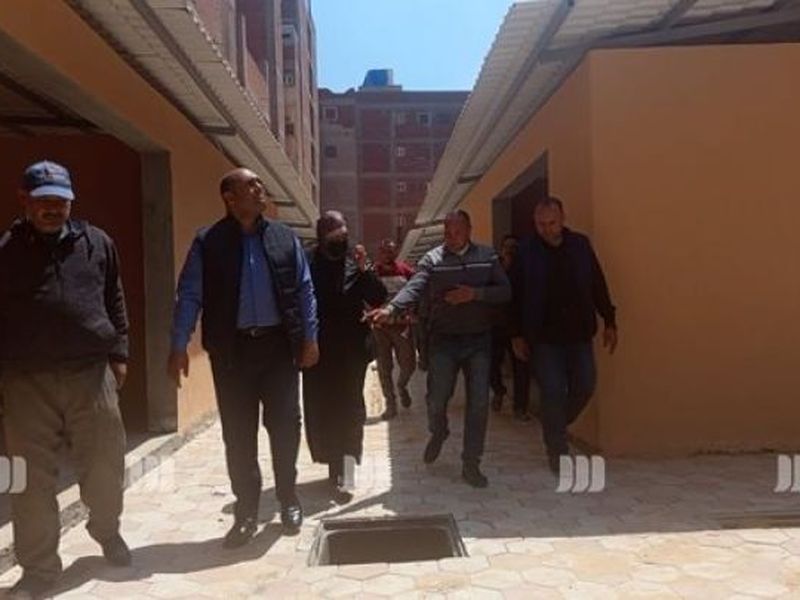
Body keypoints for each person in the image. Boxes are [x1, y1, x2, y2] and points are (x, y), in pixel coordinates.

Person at [167, 168, 319, 546]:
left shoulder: (284, 237)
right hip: (232, 354)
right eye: (250, 185)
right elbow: (190, 294)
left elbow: (304, 289)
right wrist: (179, 344)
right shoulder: (208, 242)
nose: (259, 188)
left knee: (285, 427)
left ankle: (288, 499)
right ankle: (246, 512)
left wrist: (310, 338)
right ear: (230, 198)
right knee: (238, 435)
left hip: (279, 350)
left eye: (259, 184)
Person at [0, 161, 131, 597]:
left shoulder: (97, 243)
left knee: (106, 466)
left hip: (91, 375)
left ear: (71, 201)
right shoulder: (5, 251)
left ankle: (106, 530)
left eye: (61, 200)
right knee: (25, 478)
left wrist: (120, 353)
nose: (53, 208)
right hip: (25, 383)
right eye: (44, 201)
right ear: (25, 200)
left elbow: (114, 298)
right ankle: (38, 570)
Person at [368, 210, 510, 488]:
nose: (451, 238)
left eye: (457, 232)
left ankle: (471, 463)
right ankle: (439, 430)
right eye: (447, 233)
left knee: (478, 403)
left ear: (469, 230)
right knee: (435, 399)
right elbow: (415, 286)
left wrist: (475, 294)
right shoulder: (432, 259)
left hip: (478, 342)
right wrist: (392, 308)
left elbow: (505, 291)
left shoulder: (487, 256)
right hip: (444, 341)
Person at [509, 197, 618, 474]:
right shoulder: (526, 252)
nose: (547, 229)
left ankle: (554, 424)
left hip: (579, 333)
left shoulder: (580, 246)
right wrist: (516, 334)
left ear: (562, 219)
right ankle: (557, 451)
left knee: (585, 385)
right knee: (553, 391)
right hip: (544, 337)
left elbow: (597, 283)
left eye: (552, 223)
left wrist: (609, 319)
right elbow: (515, 296)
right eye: (541, 224)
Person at [303, 212, 387, 498]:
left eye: (344, 234)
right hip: (318, 352)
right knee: (324, 411)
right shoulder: (307, 262)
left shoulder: (355, 262)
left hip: (352, 352)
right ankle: (334, 467)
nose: (342, 240)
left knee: (350, 411)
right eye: (335, 235)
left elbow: (378, 296)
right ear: (322, 235)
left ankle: (347, 471)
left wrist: (366, 270)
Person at [372, 238, 416, 420]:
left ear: (396, 252)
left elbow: (417, 291)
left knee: (409, 364)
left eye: (390, 251)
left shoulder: (406, 271)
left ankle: (402, 385)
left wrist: (414, 312)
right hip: (380, 328)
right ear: (379, 253)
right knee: (384, 367)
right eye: (384, 251)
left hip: (402, 327)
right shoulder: (373, 273)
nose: (387, 255)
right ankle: (391, 404)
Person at [490, 235, 532, 421]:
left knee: (521, 367)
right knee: (491, 365)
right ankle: (499, 390)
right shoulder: (492, 269)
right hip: (496, 325)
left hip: (519, 327)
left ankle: (520, 407)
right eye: (507, 246)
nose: (510, 250)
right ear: (501, 249)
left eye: (514, 247)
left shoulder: (524, 270)